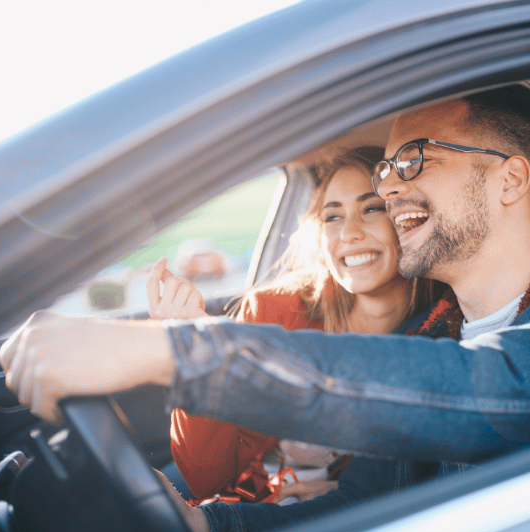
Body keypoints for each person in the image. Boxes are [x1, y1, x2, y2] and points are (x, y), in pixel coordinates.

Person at [0, 85, 530, 532]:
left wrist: (178, 352)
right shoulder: (438, 333)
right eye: (388, 168)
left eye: (414, 161)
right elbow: (357, 509)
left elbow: (484, 391)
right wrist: (207, 527)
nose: (390, 188)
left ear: (512, 179)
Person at [147, 146, 438, 505]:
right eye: (333, 217)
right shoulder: (276, 312)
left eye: (371, 209)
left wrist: (353, 493)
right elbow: (207, 477)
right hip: (249, 513)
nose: (349, 233)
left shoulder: (443, 327)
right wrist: (195, 352)